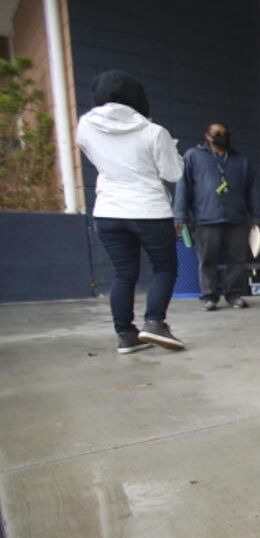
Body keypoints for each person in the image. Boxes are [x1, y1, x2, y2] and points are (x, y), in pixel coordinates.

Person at [78, 70, 186, 353]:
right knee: (165, 268)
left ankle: (126, 335)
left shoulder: (86, 127)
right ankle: (154, 323)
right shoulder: (154, 132)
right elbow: (172, 173)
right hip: (149, 209)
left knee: (123, 273)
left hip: (108, 210)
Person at [174, 122, 260, 310]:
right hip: (206, 218)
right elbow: (184, 187)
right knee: (207, 260)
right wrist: (180, 216)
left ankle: (233, 294)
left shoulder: (241, 161)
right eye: (217, 133)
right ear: (207, 136)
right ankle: (209, 296)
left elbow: (251, 191)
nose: (222, 136)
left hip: (236, 218)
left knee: (236, 260)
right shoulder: (194, 156)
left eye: (225, 133)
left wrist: (255, 217)